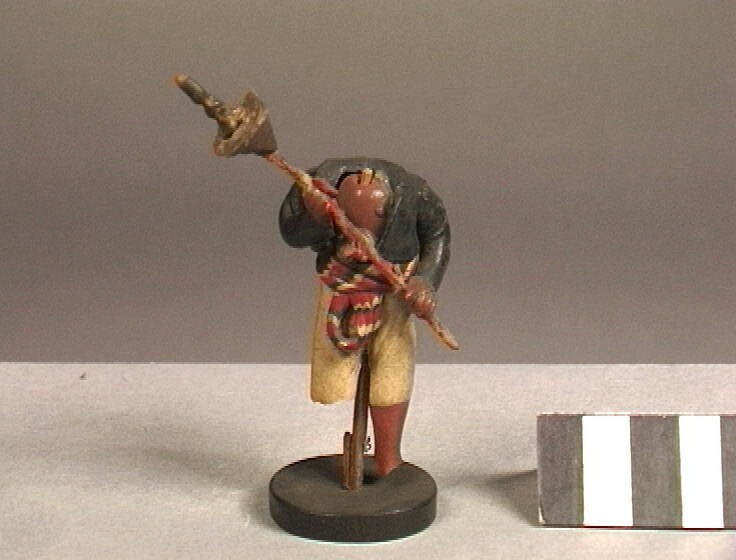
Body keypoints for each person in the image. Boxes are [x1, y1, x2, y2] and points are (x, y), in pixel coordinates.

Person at [278, 157, 450, 477]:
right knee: (331, 372)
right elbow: (291, 232)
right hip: (340, 283)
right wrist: (313, 218)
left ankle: (388, 458)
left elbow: (437, 233)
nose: (359, 247)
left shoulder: (415, 194)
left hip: (396, 290)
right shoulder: (315, 187)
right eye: (351, 232)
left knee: (392, 372)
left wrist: (425, 282)